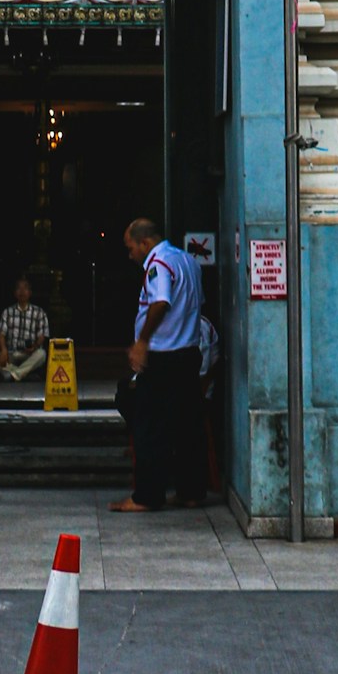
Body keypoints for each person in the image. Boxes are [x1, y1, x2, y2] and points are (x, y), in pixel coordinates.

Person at [113, 216, 206, 512]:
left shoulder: (159, 263)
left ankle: (147, 495)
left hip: (164, 357)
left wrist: (142, 342)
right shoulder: (187, 260)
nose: (130, 255)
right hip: (189, 354)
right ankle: (191, 491)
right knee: (187, 426)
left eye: (131, 248)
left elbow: (161, 302)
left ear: (145, 243)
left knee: (149, 427)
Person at [0, 275, 50, 385]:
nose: (22, 291)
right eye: (19, 288)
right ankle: (24, 374)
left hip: (29, 354)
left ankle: (14, 375)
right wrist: (3, 350)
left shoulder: (39, 312)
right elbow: (1, 333)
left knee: (42, 354)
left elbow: (43, 335)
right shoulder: (8, 312)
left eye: (25, 288)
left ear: (30, 292)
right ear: (15, 293)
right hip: (11, 353)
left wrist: (35, 346)